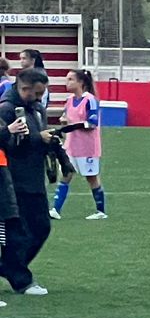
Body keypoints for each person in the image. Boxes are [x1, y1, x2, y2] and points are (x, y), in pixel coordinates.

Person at [1, 68, 56, 296]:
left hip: (34, 178)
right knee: (19, 233)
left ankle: (10, 266)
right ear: (24, 88)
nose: (40, 97)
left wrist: (49, 142)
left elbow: (33, 140)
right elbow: (7, 144)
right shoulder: (6, 109)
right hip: (13, 180)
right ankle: (21, 279)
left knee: (41, 227)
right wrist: (35, 137)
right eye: (37, 93)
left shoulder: (37, 109)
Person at [51, 69, 107, 221]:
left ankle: (101, 211)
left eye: (70, 79)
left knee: (91, 177)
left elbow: (92, 123)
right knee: (66, 174)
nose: (66, 82)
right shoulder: (69, 100)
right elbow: (66, 116)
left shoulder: (90, 100)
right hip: (72, 145)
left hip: (87, 147)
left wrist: (72, 126)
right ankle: (55, 209)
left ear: (81, 82)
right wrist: (64, 121)